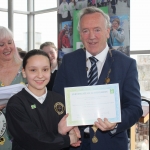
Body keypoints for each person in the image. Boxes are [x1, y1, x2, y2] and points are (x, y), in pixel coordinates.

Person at [53, 7, 143, 150]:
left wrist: (116, 122)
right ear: (80, 35)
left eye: (97, 30)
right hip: (75, 143)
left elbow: (135, 108)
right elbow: (57, 101)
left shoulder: (126, 64)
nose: (91, 36)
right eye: (85, 31)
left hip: (111, 144)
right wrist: (68, 127)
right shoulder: (69, 61)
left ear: (107, 31)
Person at [6, 49, 81, 150]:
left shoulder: (59, 99)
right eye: (33, 70)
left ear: (50, 70)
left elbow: (63, 129)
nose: (40, 75)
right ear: (24, 72)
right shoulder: (16, 104)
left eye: (45, 69)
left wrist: (71, 130)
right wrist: (67, 139)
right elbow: (32, 140)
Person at [0, 26, 26, 150]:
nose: (7, 47)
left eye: (10, 42)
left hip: (23, 130)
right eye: (1, 44)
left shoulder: (27, 67)